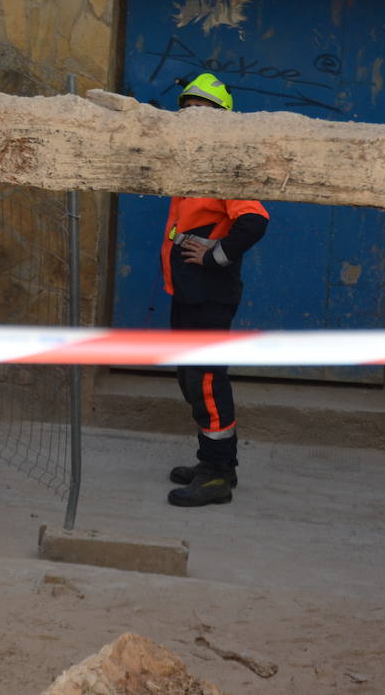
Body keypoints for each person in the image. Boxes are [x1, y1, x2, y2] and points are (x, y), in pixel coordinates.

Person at [162, 73, 270, 507]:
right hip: (187, 296)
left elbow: (254, 221)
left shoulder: (226, 167)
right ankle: (214, 460)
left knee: (206, 381)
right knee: (192, 380)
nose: (192, 116)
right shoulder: (192, 166)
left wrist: (215, 255)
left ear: (223, 119)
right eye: (187, 108)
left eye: (203, 110)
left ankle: (217, 475)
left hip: (209, 297)